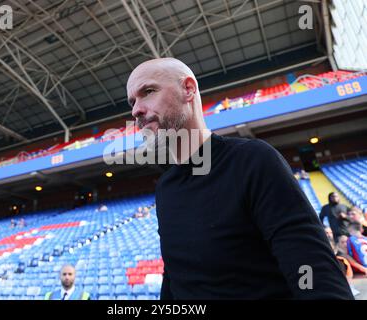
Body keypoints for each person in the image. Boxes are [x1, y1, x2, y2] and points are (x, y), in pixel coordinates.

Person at [127, 57, 353, 299]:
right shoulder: (165, 188)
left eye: (148, 91)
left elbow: (313, 273)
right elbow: (174, 276)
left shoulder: (254, 161)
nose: (135, 110)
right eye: (132, 101)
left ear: (188, 89)